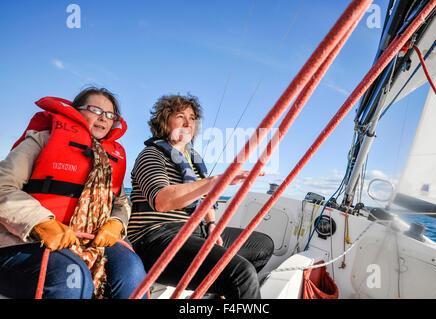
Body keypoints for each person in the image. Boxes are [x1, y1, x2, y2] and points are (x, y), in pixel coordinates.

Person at [0, 87, 147, 299]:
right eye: (95, 110)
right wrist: (40, 223)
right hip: (24, 242)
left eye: (110, 115)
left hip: (91, 240)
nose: (103, 118)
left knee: (131, 269)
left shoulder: (111, 158)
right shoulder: (42, 139)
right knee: (72, 275)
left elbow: (120, 201)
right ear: (76, 111)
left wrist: (116, 222)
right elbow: (3, 185)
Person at [127, 94, 274, 299]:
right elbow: (162, 200)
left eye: (192, 118)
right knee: (241, 273)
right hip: (157, 238)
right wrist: (214, 181)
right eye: (180, 115)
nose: (188, 122)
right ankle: (232, 285)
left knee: (263, 246)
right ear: (164, 121)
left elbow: (205, 200)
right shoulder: (152, 154)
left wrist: (212, 226)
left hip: (195, 231)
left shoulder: (193, 160)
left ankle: (224, 291)